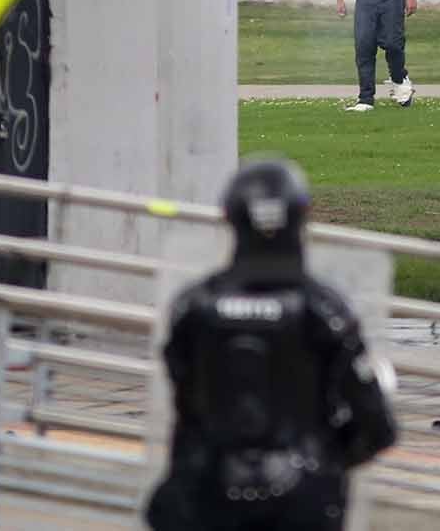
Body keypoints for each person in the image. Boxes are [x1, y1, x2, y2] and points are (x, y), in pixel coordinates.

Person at [145, 158, 397, 531]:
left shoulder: (193, 309)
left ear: (230, 217)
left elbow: (184, 405)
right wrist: (326, 457)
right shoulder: (325, 312)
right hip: (302, 502)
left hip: (209, 496)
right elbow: (376, 426)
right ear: (301, 217)